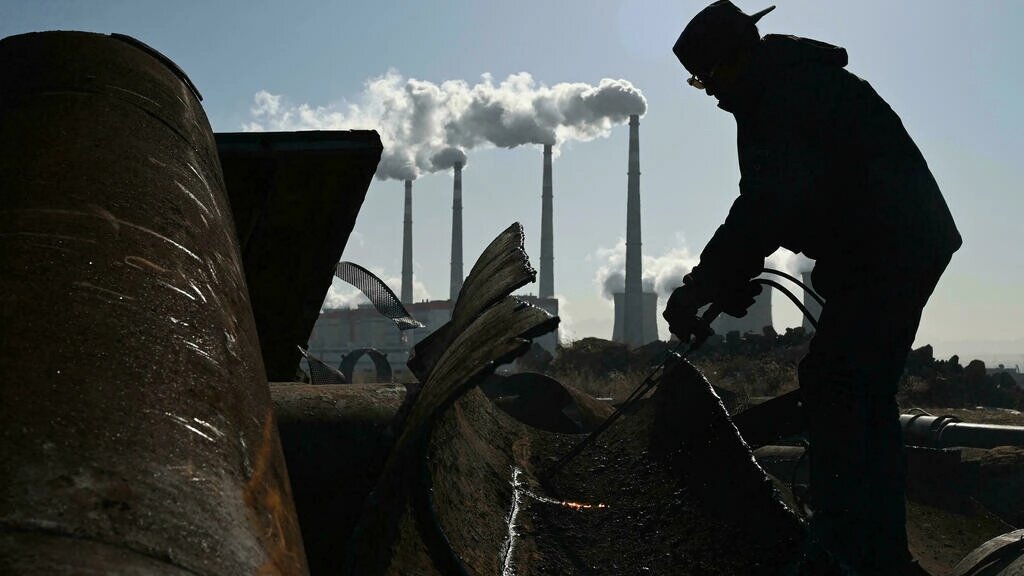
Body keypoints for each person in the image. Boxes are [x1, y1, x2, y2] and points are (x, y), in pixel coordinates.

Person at [663, 2, 961, 574]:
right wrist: (726, 280)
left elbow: (766, 204)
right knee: (855, 389)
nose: (711, 95)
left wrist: (705, 284)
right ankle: (870, 547)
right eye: (700, 83)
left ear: (737, 58)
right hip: (888, 245)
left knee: (840, 384)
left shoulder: (781, 94)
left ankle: (850, 550)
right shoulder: (784, 84)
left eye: (710, 79)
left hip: (893, 246)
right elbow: (782, 202)